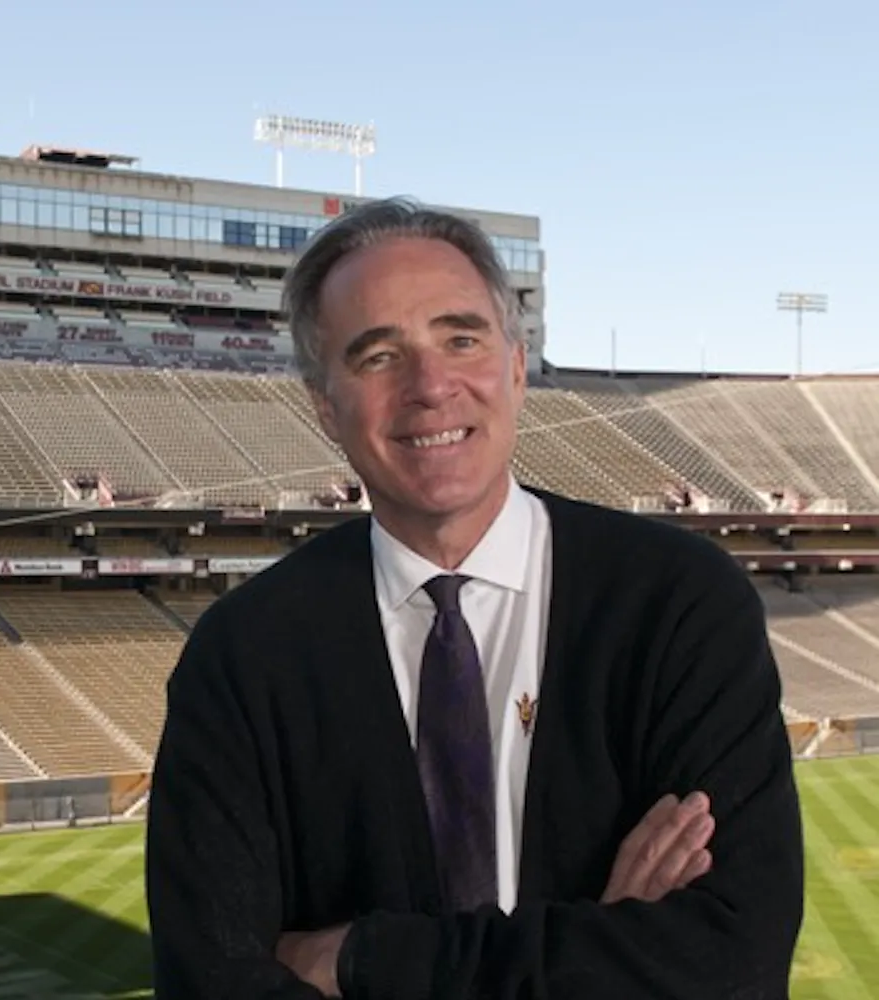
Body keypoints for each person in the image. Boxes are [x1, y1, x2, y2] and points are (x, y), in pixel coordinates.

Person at [144, 198, 804, 998]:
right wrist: (601, 947)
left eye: (461, 339)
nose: (431, 386)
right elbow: (210, 982)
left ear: (517, 368)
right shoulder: (241, 658)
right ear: (326, 406)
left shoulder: (680, 605)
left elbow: (735, 963)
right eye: (378, 356)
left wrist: (357, 961)